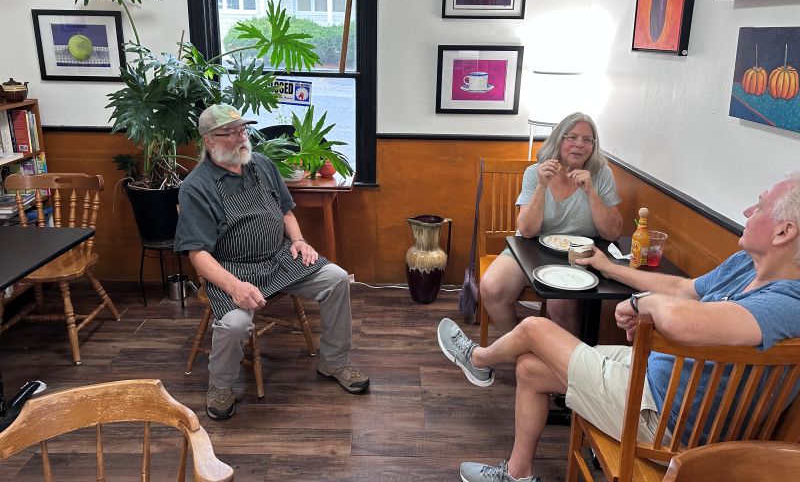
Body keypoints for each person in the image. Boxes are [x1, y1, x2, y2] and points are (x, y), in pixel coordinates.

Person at [438, 174, 800, 482]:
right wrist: (609, 268)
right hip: (655, 380)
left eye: (759, 207)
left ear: (784, 231)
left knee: (535, 328)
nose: (747, 212)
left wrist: (641, 303)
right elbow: (682, 289)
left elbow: (678, 319)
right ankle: (518, 474)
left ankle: (479, 359)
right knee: (530, 367)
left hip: (670, 427)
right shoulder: (745, 265)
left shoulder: (788, 303)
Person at [174, 104, 369, 421]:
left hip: (279, 257)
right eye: (231, 133)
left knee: (336, 278)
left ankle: (334, 361)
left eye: (243, 129)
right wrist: (234, 287)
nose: (242, 137)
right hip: (232, 270)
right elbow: (197, 255)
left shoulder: (261, 164)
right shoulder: (197, 186)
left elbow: (285, 211)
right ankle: (221, 386)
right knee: (235, 324)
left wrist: (299, 241)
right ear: (209, 141)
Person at [480, 112, 623, 336]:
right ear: (558, 139)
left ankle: (561, 355)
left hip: (578, 255)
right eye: (572, 137)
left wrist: (591, 192)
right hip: (530, 248)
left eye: (587, 140)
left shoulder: (602, 174)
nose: (579, 144)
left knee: (562, 304)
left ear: (593, 146)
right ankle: (519, 345)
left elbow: (613, 233)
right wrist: (542, 186)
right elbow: (527, 230)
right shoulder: (534, 173)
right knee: (492, 287)